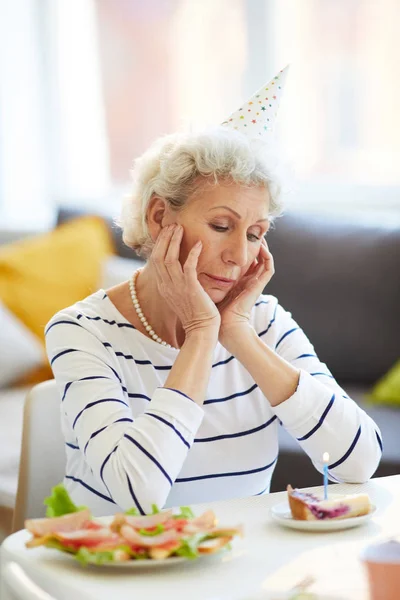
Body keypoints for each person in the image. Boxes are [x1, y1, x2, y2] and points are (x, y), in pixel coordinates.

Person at [45, 70, 382, 516]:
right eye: (222, 226)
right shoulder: (82, 331)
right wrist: (202, 335)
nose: (239, 257)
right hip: (126, 575)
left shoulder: (262, 321)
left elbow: (360, 463)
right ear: (160, 216)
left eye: (256, 233)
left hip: (242, 570)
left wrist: (238, 336)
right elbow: (136, 494)